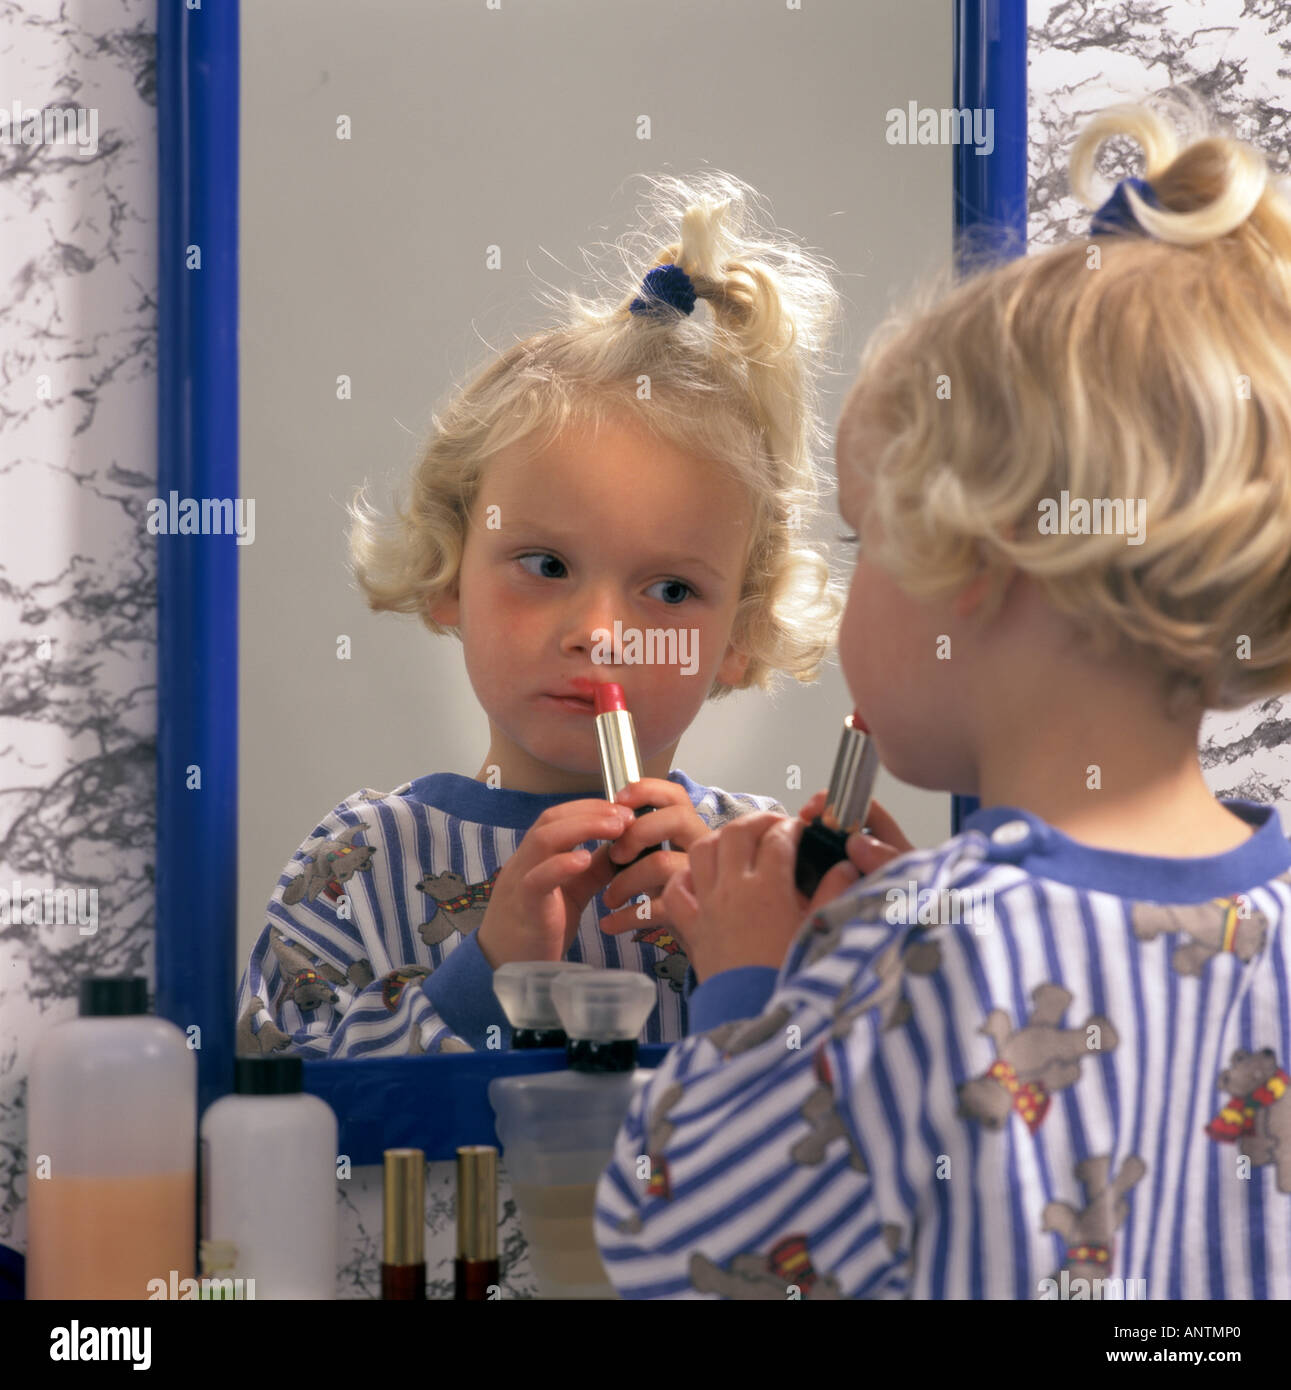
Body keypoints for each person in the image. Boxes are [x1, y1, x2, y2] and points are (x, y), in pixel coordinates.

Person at [594, 97, 1291, 1299]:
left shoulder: (917, 942)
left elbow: (684, 1249)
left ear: (969, 569)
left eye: (864, 545)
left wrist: (758, 991)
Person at [235, 174, 848, 1058]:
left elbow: (853, 1139)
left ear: (740, 637)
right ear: (449, 573)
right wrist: (481, 978)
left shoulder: (763, 879)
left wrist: (749, 974)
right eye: (546, 565)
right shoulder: (359, 865)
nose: (600, 632)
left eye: (670, 590)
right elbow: (275, 1119)